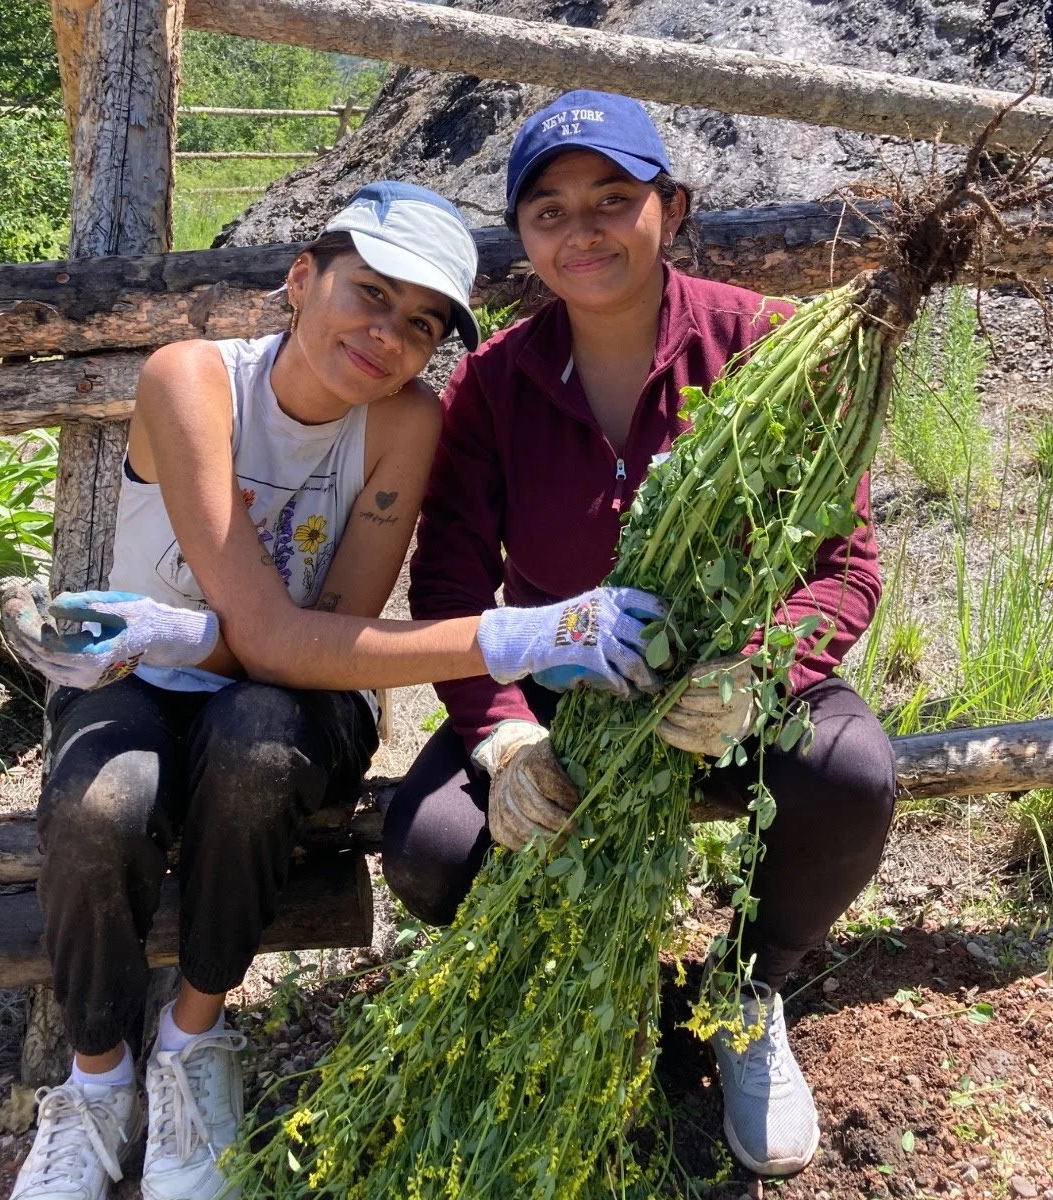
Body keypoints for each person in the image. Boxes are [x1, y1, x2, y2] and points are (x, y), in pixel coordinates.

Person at [2, 180, 666, 1200]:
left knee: (260, 744)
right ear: (301, 277)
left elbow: (324, 637)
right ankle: (95, 1084)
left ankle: (193, 1040)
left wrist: (198, 633)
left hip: (298, 694)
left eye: (422, 323)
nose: (388, 335)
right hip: (135, 674)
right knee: (102, 806)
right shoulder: (193, 380)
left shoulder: (402, 425)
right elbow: (275, 633)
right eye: (370, 293)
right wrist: (522, 635)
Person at [381, 92, 898, 1178]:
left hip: (729, 675)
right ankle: (605, 988)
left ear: (673, 207)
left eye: (613, 199)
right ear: (522, 239)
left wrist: (760, 670)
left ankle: (745, 989)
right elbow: (454, 579)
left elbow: (844, 562)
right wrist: (504, 733)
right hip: (567, 678)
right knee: (431, 846)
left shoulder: (765, 346)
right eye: (550, 212)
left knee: (849, 775)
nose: (583, 231)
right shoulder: (496, 381)